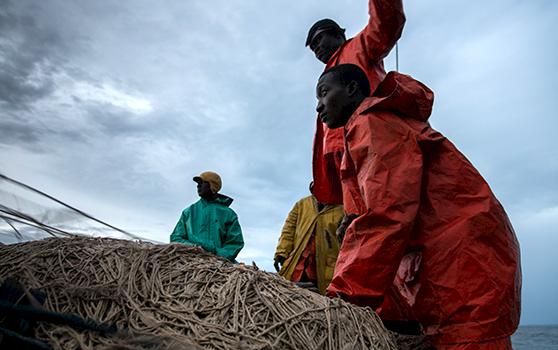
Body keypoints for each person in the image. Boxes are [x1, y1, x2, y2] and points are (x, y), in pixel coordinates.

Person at [315, 64, 521, 349]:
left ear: (351, 90)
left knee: (470, 340)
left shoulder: (372, 122)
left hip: (463, 266)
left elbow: (388, 213)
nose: (318, 106)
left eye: (323, 93)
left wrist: (341, 300)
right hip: (464, 262)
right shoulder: (371, 126)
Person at [306, 0, 405, 205]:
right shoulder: (327, 75)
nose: (316, 49)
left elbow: (386, 22)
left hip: (372, 139)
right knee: (355, 214)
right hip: (340, 154)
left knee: (384, 202)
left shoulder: (360, 46)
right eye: (313, 47)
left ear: (337, 34)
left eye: (318, 40)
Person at [273, 183, 344, 295]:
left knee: (323, 296)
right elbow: (288, 230)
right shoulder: (302, 204)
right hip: (299, 261)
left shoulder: (342, 209)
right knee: (291, 290)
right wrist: (281, 253)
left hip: (326, 267)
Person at [170, 171, 244, 262]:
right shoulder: (188, 212)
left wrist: (217, 255)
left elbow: (235, 243)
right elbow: (176, 238)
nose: (198, 186)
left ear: (212, 186)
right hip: (189, 261)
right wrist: (195, 248)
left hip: (220, 265)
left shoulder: (229, 214)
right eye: (197, 184)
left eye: (202, 183)